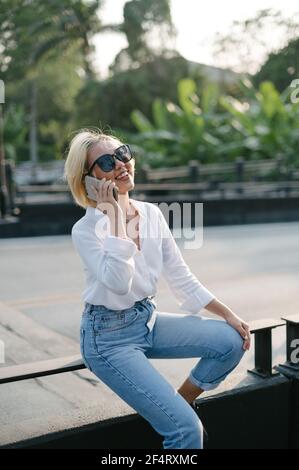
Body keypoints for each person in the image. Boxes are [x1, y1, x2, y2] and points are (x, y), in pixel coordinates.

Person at [64, 129, 251, 450]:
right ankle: (178, 420)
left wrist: (229, 315)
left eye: (122, 153)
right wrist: (115, 215)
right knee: (188, 432)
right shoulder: (85, 230)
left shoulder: (150, 213)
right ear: (88, 179)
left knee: (231, 342)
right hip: (107, 338)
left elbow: (181, 276)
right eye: (107, 162)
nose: (121, 164)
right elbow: (118, 281)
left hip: (145, 320)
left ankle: (175, 406)